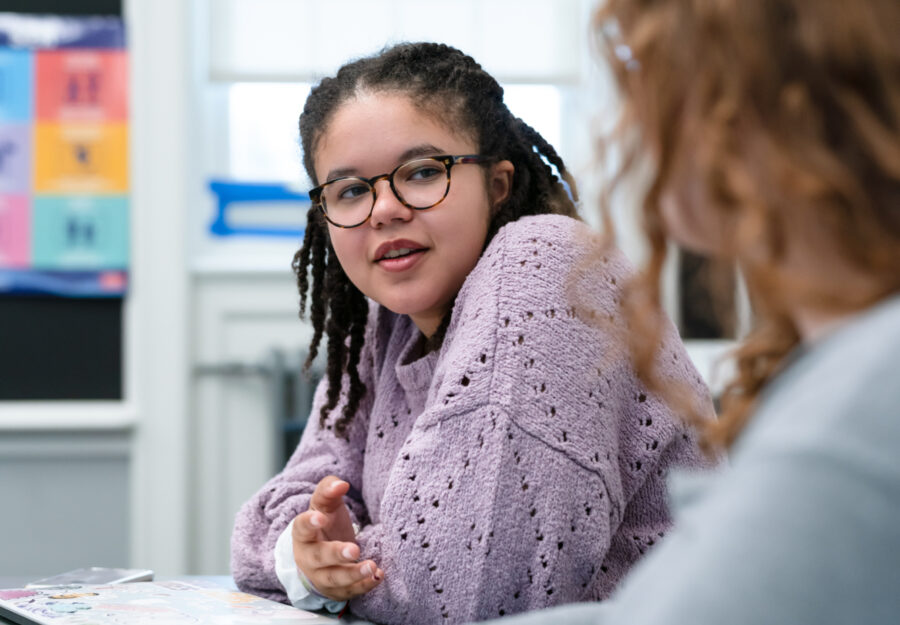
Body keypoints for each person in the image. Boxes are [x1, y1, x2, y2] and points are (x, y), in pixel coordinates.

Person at [230, 42, 711, 625]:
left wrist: (342, 564)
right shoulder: (386, 324)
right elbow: (273, 520)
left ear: (499, 184)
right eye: (351, 190)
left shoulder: (542, 265)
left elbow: (466, 590)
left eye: (424, 172)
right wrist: (307, 552)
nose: (384, 210)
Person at [472, 1, 900, 624]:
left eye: (646, 75)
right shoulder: (845, 368)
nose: (627, 119)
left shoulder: (864, 403)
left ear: (761, 107)